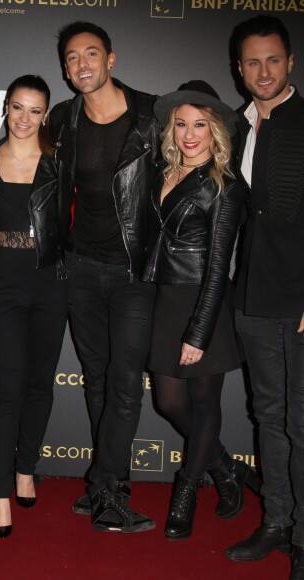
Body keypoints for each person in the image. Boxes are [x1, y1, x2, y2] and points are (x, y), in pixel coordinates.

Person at [49, 21, 161, 532]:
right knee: (96, 377)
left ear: (111, 59)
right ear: (66, 69)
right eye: (72, 58)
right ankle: (106, 483)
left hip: (134, 272)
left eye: (91, 54)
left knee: (124, 381)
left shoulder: (152, 115)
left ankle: (107, 487)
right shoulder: (62, 119)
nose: (82, 65)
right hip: (80, 267)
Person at [145, 80, 259, 540]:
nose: (190, 134)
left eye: (200, 125)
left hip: (202, 302)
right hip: (164, 300)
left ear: (215, 132)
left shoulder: (225, 187)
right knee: (168, 401)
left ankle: (187, 489)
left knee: (204, 402)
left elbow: (217, 268)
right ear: (171, 129)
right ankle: (226, 469)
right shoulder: (161, 172)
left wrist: (199, 332)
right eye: (182, 124)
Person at [225, 16, 304, 579]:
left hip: (299, 301)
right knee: (268, 415)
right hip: (251, 297)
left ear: (291, 63)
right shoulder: (238, 126)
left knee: (302, 421)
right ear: (239, 70)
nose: (263, 71)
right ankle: (278, 521)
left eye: (272, 60)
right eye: (252, 62)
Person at [0, 75, 67, 539]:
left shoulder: (58, 164)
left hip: (49, 284)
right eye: (17, 107)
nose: (24, 119)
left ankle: (26, 468)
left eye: (35, 111)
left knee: (39, 384)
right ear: (6, 108)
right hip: (2, 285)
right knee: (8, 389)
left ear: (46, 115)